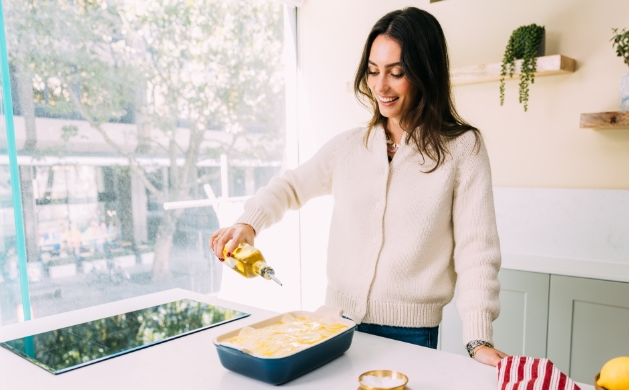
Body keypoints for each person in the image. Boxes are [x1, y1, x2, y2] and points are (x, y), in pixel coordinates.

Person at [210, 7, 507, 366]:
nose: (381, 86)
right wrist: (248, 222)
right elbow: (290, 186)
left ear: (426, 73)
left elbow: (477, 251)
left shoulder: (463, 148)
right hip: (333, 324)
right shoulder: (350, 147)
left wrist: (478, 339)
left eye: (397, 73)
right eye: (373, 71)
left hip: (410, 333)